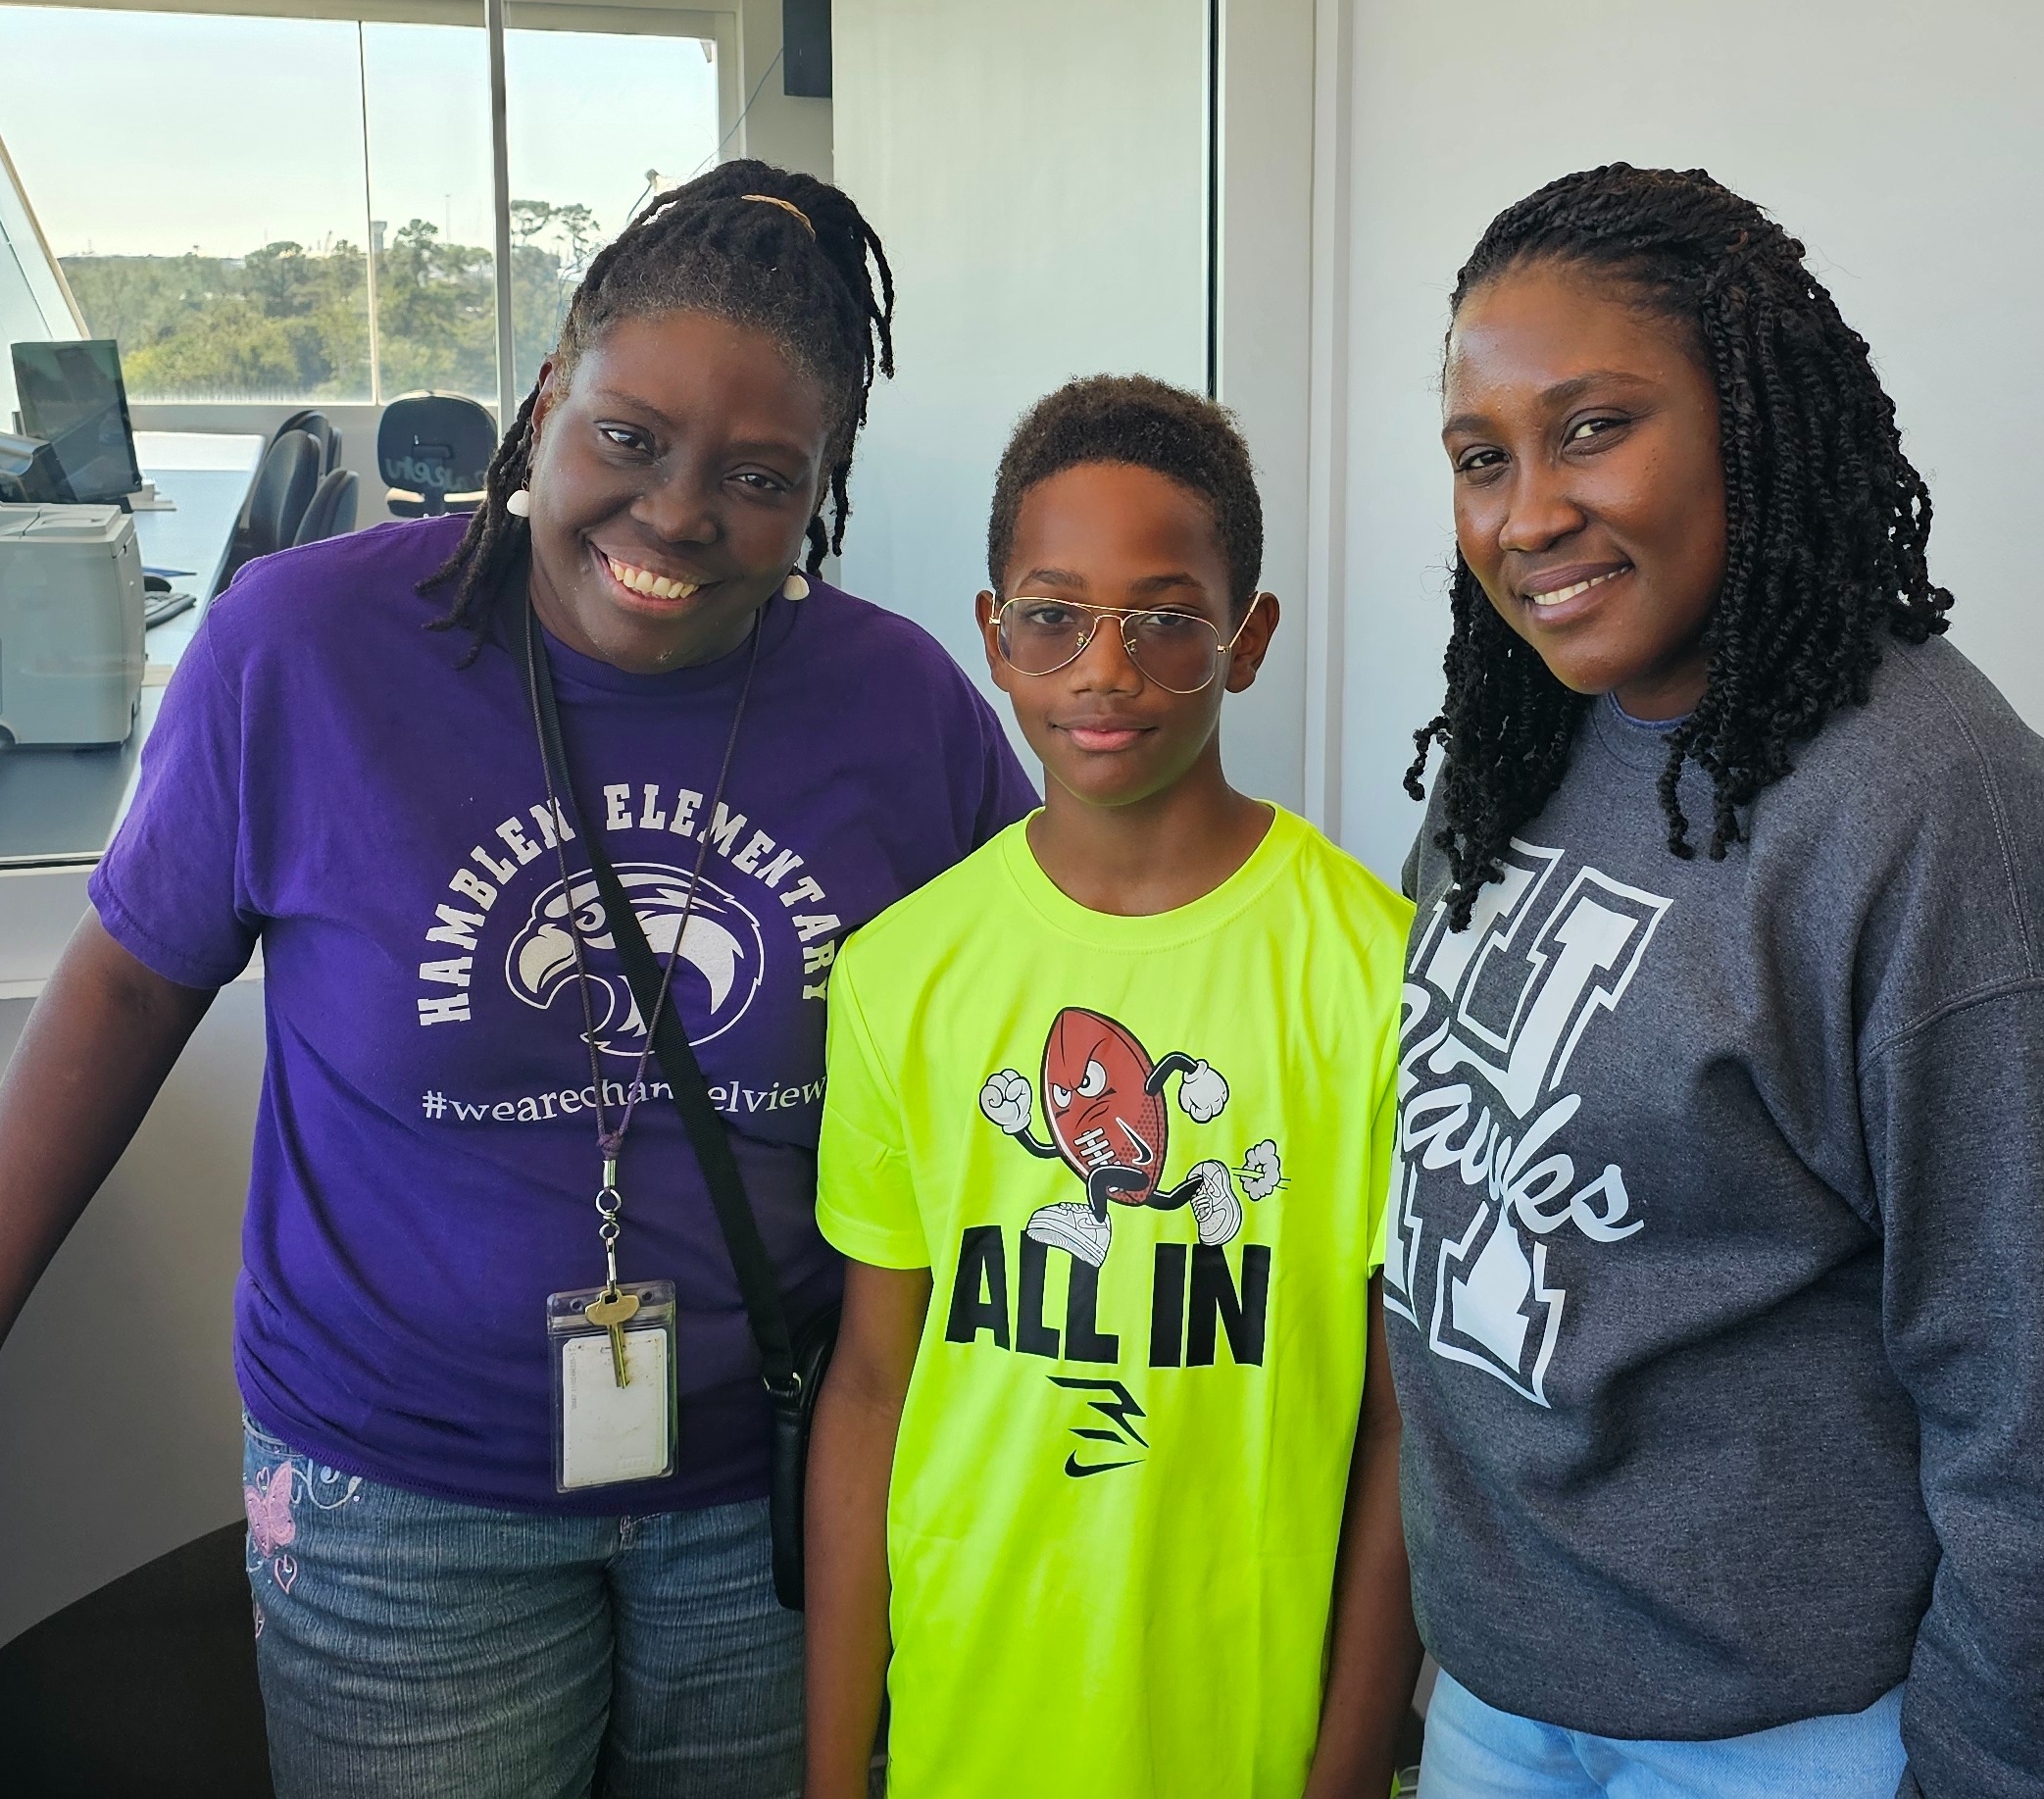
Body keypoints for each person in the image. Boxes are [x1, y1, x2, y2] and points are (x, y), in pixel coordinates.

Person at [0, 161, 1036, 1799]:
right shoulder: (305, 651)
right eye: (628, 438)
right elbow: (129, 990)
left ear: (822, 486)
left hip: (768, 1478)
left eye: (760, 476)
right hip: (402, 1492)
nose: (682, 513)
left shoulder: (898, 708)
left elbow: (1032, 1036)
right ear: (552, 393)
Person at [1387, 162, 2044, 1797]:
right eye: (1484, 458)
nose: (1527, 511)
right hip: (1505, 1694)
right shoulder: (1532, 735)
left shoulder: (1943, 827)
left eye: (1597, 427)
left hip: (1798, 1743)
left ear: (1754, 424)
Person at [805, 375, 1423, 1798]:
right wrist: (835, 1771)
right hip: (972, 1722)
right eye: (1055, 617)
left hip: (1251, 1732)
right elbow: (872, 1387)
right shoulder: (906, 973)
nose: (1106, 669)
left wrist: (1344, 1770)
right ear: (995, 641)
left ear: (1246, 641)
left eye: (1166, 621)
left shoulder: (1379, 976)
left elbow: (1402, 1427)